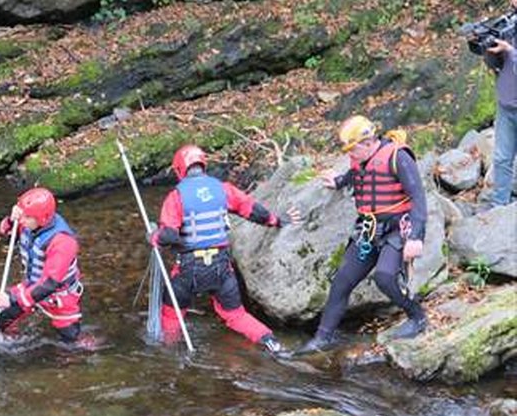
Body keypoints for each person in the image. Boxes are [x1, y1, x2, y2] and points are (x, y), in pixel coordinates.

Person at [151, 144, 299, 356]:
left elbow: (169, 236)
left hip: (189, 268)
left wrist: (153, 236)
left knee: (171, 314)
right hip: (221, 266)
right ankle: (271, 342)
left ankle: (169, 353)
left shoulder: (176, 196)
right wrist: (277, 220)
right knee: (236, 315)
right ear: (203, 165)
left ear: (179, 170)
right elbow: (252, 210)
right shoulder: (223, 189)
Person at [298, 115, 428, 354]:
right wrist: (337, 181)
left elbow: (419, 198)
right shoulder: (361, 159)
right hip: (369, 228)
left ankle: (417, 317)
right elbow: (356, 176)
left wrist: (416, 238)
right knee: (341, 282)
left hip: (399, 228)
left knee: (385, 278)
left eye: (352, 149)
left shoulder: (398, 157)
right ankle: (322, 338)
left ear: (369, 143)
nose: (350, 155)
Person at [0, 187, 85, 343]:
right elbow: (6, 232)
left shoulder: (62, 242)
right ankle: (11, 341)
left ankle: (84, 348)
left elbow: (49, 284)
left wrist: (16, 299)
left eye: (26, 217)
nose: (22, 220)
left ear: (42, 218)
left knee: (71, 340)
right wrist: (12, 219)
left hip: (59, 297)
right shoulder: (27, 223)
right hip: (32, 285)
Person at [483, 0, 517, 207]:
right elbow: (496, 65)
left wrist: (511, 51)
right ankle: (499, 206)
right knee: (502, 159)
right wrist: (486, 47)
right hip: (506, 105)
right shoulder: (509, 23)